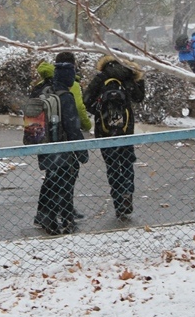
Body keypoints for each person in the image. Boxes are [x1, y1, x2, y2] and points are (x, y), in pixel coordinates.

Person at [83, 54, 146, 220]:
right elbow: (139, 97)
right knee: (126, 163)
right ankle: (127, 193)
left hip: (104, 131)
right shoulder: (129, 75)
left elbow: (86, 101)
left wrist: (100, 111)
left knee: (112, 165)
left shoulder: (101, 77)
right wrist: (138, 78)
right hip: (125, 130)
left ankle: (118, 200)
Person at [32, 51, 90, 227]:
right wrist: (82, 151)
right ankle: (66, 219)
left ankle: (43, 215)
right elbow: (73, 126)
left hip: (44, 142)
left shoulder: (41, 89)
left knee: (52, 178)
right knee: (66, 180)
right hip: (63, 146)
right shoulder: (65, 95)